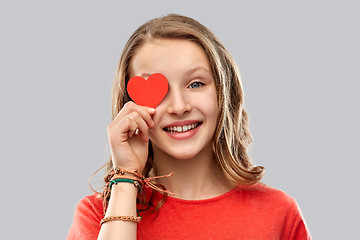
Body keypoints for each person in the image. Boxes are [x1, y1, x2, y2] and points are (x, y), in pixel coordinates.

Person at [67, 14, 311, 240]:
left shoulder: (279, 212)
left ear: (224, 93)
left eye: (195, 84)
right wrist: (126, 177)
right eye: (159, 91)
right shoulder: (96, 215)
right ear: (128, 107)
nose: (178, 106)